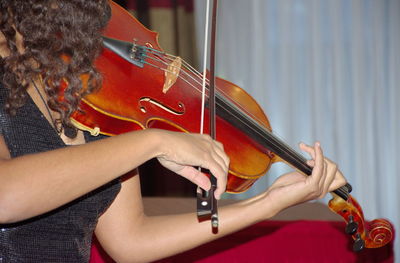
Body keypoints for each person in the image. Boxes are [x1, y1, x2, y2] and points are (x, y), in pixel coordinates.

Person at [0, 0, 346, 262]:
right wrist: (154, 141)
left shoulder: (97, 92)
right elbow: (6, 196)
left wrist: (267, 204)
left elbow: (130, 240)